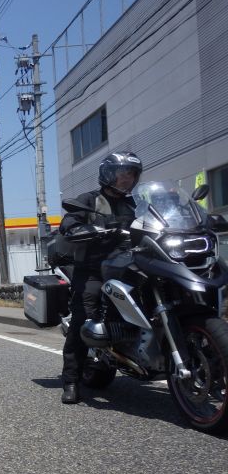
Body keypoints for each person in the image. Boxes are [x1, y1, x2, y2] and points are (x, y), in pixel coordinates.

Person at [58, 151, 142, 404]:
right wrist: (82, 228)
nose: (127, 179)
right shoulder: (89, 200)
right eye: (122, 173)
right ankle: (71, 381)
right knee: (84, 315)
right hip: (94, 268)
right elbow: (68, 223)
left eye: (132, 174)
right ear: (108, 174)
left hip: (130, 265)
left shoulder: (136, 203)